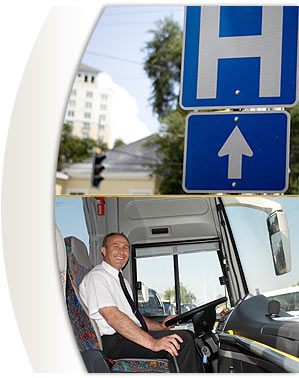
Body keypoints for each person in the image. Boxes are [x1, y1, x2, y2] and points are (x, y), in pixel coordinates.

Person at [79, 232, 203, 373]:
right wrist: (153, 343)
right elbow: (113, 317)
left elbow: (134, 317)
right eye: (115, 246)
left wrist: (160, 327)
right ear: (104, 251)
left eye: (125, 247)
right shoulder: (97, 277)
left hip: (125, 336)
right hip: (113, 341)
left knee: (188, 335)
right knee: (183, 340)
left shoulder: (121, 280)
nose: (121, 251)